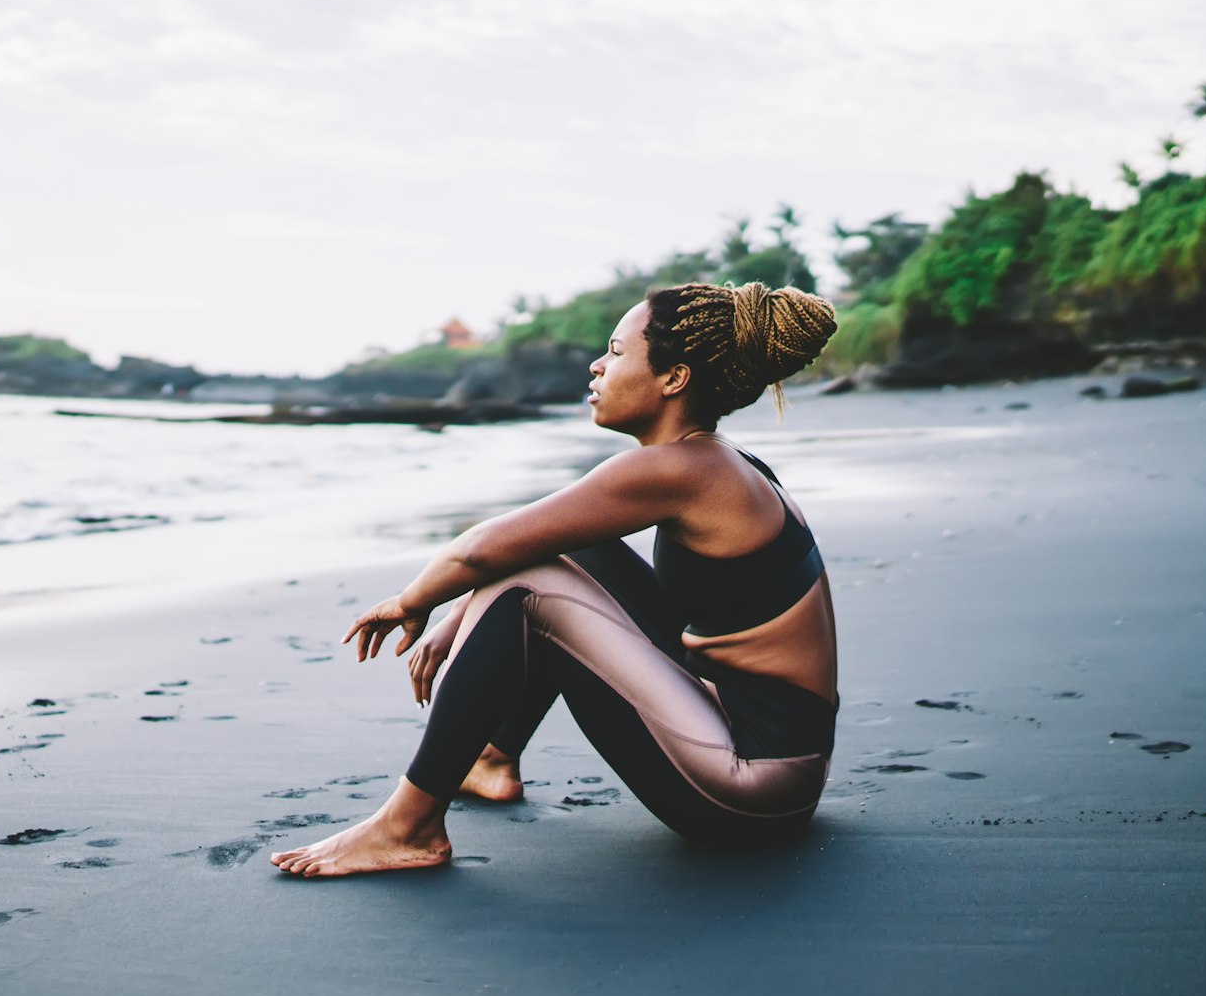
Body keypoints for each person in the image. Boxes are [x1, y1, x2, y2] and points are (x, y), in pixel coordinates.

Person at [271, 281, 840, 877]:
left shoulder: (681, 470)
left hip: (752, 790)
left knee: (524, 592)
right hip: (773, 762)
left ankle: (407, 826)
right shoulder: (718, 463)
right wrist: (462, 616)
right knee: (568, 552)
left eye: (617, 353)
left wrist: (412, 604)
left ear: (674, 378)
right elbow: (536, 542)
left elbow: (480, 552)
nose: (597, 365)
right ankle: (489, 760)